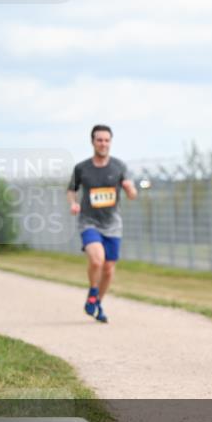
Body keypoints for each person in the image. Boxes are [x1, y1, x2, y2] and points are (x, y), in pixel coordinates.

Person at [67, 125, 138, 323]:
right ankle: (92, 291)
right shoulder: (82, 168)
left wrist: (129, 188)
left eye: (107, 140)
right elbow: (71, 190)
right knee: (97, 259)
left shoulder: (119, 166)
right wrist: (73, 204)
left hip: (113, 223)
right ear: (92, 142)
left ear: (110, 142)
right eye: (99, 140)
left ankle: (97, 302)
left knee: (108, 268)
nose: (103, 144)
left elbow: (132, 195)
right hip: (89, 221)